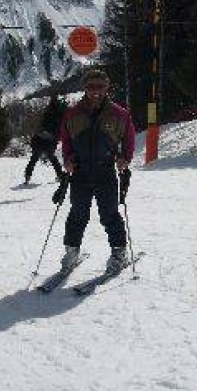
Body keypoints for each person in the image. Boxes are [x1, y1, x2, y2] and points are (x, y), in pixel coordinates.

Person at [56, 69, 136, 273]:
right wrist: (67, 159)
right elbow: (66, 140)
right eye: (91, 87)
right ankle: (71, 252)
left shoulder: (120, 114)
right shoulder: (72, 113)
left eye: (100, 86)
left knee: (110, 214)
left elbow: (128, 137)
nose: (96, 91)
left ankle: (119, 252)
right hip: (80, 172)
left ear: (106, 87)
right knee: (77, 214)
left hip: (105, 171)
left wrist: (125, 158)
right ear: (85, 88)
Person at [24, 94, 67, 184]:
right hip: (52, 138)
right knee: (52, 158)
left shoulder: (48, 111)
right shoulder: (62, 112)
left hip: (41, 136)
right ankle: (60, 176)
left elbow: (43, 123)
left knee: (34, 158)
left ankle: (27, 177)